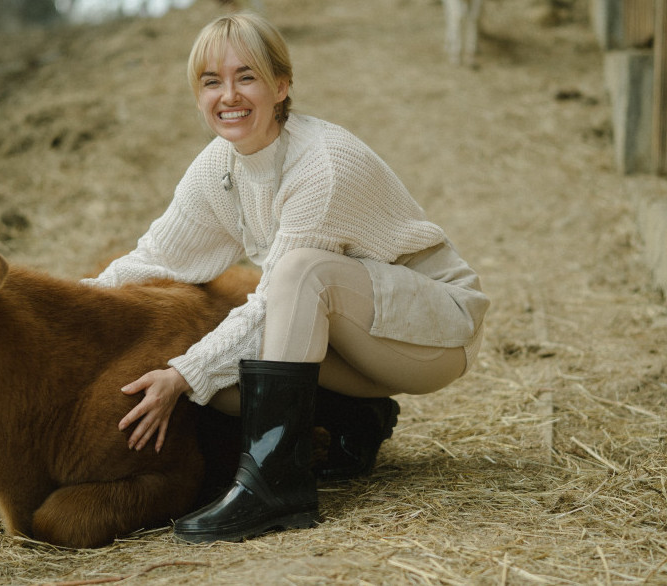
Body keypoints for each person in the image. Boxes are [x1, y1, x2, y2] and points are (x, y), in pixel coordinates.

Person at [83, 11, 489, 543]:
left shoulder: (322, 164)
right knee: (224, 381)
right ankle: (354, 422)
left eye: (245, 76)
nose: (228, 95)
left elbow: (277, 299)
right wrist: (63, 305)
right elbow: (156, 258)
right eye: (211, 81)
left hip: (435, 332)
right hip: (360, 341)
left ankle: (274, 487)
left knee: (298, 275)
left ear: (281, 85)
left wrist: (181, 374)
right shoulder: (219, 168)